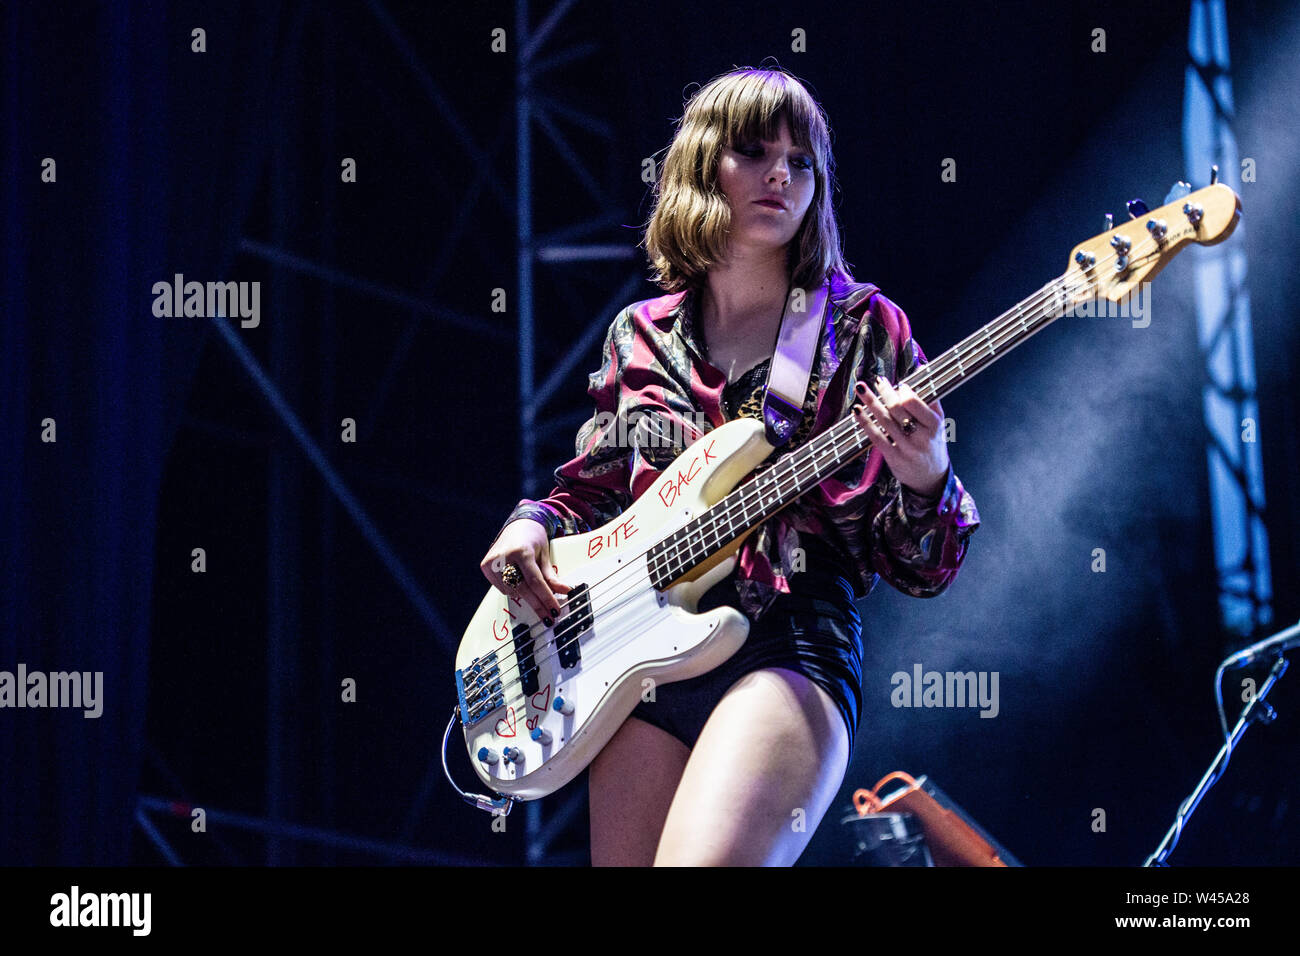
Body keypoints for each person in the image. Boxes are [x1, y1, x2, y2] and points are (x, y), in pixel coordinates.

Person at [479, 66, 981, 865]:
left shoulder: (860, 330)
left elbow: (921, 570)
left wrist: (927, 476)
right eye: (754, 151)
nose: (782, 174)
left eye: (802, 160)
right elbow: (591, 493)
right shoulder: (637, 335)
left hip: (788, 642)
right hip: (636, 658)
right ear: (700, 166)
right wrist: (529, 525)